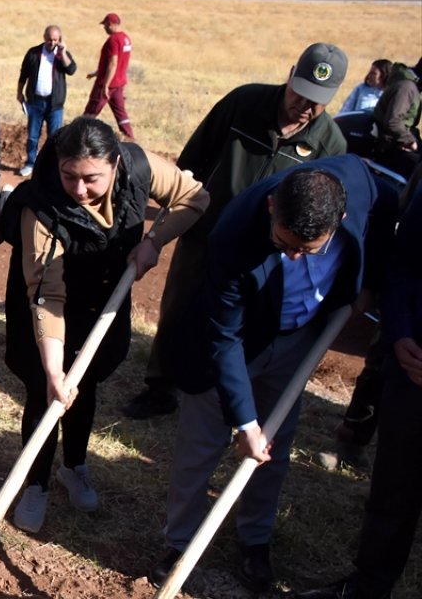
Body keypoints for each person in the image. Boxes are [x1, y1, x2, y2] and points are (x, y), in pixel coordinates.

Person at [150, 157, 397, 592]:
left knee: (274, 446)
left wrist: (369, 282)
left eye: (307, 248)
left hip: (298, 337)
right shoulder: (235, 234)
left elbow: (387, 207)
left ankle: (255, 540)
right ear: (271, 207)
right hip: (233, 339)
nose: (293, 255)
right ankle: (180, 543)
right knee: (201, 443)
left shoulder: (358, 184)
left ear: (339, 221)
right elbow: (224, 337)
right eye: (284, 243)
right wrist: (244, 423)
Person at [123, 42, 349, 420]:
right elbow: (195, 157)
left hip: (263, 249)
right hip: (206, 230)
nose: (305, 107)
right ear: (291, 73)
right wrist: (181, 206)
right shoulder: (244, 103)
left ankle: (218, 393)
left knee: (239, 321)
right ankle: (160, 388)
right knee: (180, 305)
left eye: (317, 101)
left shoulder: (329, 143)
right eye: (301, 92)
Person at [3, 117, 208, 531]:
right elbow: (48, 296)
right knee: (46, 393)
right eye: (69, 176)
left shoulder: (139, 166)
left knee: (87, 384)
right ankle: (35, 483)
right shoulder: (40, 206)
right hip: (46, 306)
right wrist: (53, 370)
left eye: (91, 179)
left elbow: (195, 197)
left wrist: (154, 241)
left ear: (115, 164)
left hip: (105, 298)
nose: (79, 190)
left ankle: (74, 466)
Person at [295, 178, 422, 599]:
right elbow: (405, 262)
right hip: (412, 366)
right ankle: (366, 587)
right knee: (393, 487)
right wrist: (400, 332)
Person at [16, 24, 76, 176]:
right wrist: (19, 93)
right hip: (35, 102)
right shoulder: (33, 53)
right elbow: (24, 74)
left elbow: (72, 70)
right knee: (33, 135)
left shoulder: (62, 55)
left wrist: (62, 53)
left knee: (55, 137)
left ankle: (52, 167)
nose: (52, 43)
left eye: (55, 40)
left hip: (55, 104)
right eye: (49, 40)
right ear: (44, 38)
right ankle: (30, 163)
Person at [83, 12, 134, 139]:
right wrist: (96, 72)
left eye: (105, 25)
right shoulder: (125, 38)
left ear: (110, 24)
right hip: (119, 83)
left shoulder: (113, 40)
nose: (104, 28)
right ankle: (131, 139)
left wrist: (105, 85)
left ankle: (79, 135)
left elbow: (113, 63)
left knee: (91, 111)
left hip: (107, 84)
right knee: (121, 114)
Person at [371, 58, 420, 177]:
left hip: (397, 142)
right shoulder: (407, 88)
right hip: (390, 147)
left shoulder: (409, 85)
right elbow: (393, 122)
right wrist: (410, 141)